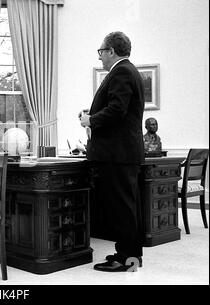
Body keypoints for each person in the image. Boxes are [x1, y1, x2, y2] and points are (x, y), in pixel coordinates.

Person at [79, 31, 144, 272]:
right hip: (121, 153)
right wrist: (93, 116)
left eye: (101, 52)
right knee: (125, 207)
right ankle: (126, 254)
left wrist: (91, 120)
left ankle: (128, 259)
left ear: (111, 51)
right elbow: (118, 108)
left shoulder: (122, 71)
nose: (100, 57)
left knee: (123, 208)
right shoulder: (126, 71)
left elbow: (117, 110)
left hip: (118, 154)